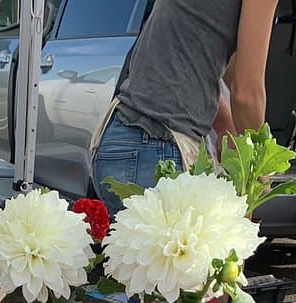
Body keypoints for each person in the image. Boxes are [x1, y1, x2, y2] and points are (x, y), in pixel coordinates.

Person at [91, 0, 280, 216]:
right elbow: (246, 94)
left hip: (116, 139)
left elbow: (190, 68)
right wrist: (258, 167)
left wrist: (226, 128)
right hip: (159, 148)